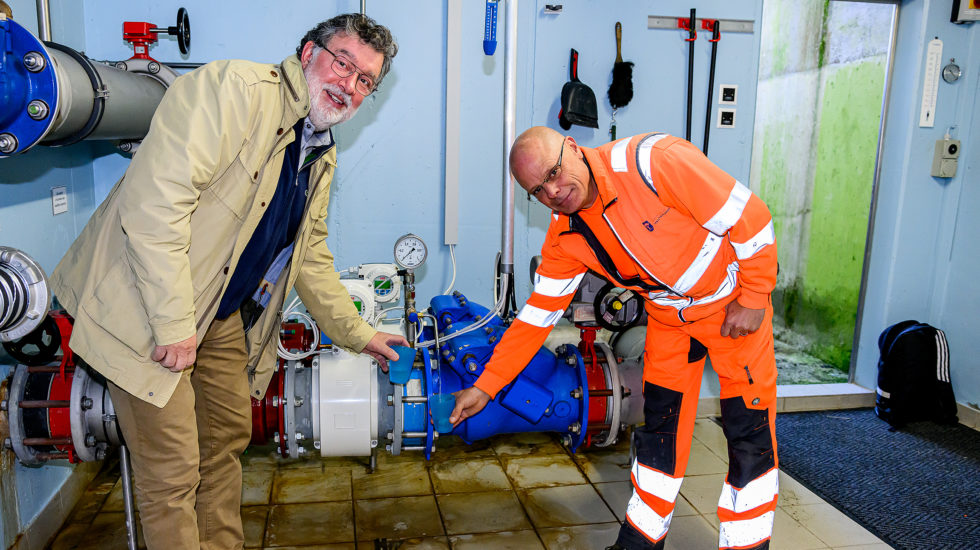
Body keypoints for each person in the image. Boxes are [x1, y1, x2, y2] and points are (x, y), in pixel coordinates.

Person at [49, 14, 406, 550]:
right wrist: (173, 324)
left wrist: (360, 335)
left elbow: (309, 256)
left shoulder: (318, 149)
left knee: (224, 443)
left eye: (365, 81)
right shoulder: (233, 92)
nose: (349, 85)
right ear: (309, 53)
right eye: (343, 63)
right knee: (172, 471)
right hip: (146, 305)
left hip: (217, 312)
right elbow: (154, 207)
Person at [451, 126, 779, 550]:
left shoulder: (653, 162)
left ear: (573, 147)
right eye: (538, 191)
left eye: (553, 173)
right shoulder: (566, 236)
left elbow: (751, 217)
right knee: (659, 433)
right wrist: (486, 385)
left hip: (732, 310)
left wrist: (754, 296)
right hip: (670, 321)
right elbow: (535, 319)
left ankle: (746, 546)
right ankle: (640, 543)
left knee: (748, 434)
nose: (553, 192)